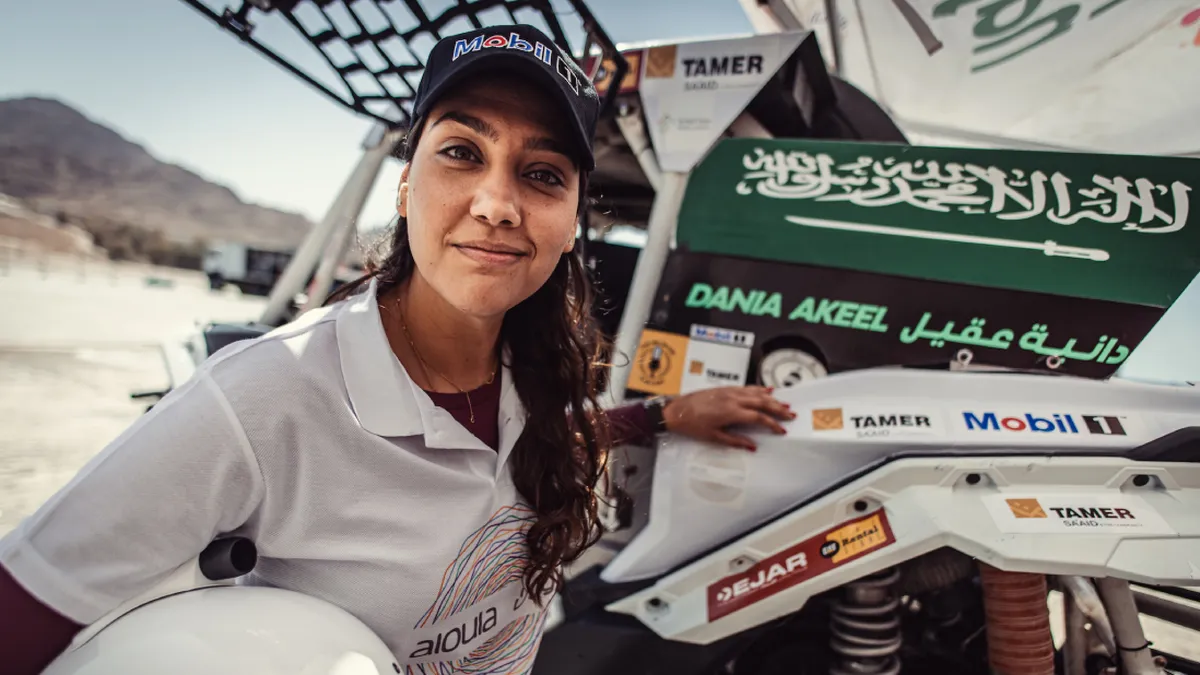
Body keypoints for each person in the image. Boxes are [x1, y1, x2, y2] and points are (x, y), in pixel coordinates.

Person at [0, 24, 794, 674]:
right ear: (406, 186)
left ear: (570, 218)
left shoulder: (533, 369)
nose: (497, 203)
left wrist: (665, 414)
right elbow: (26, 603)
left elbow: (539, 440)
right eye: (461, 153)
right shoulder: (265, 395)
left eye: (542, 173)